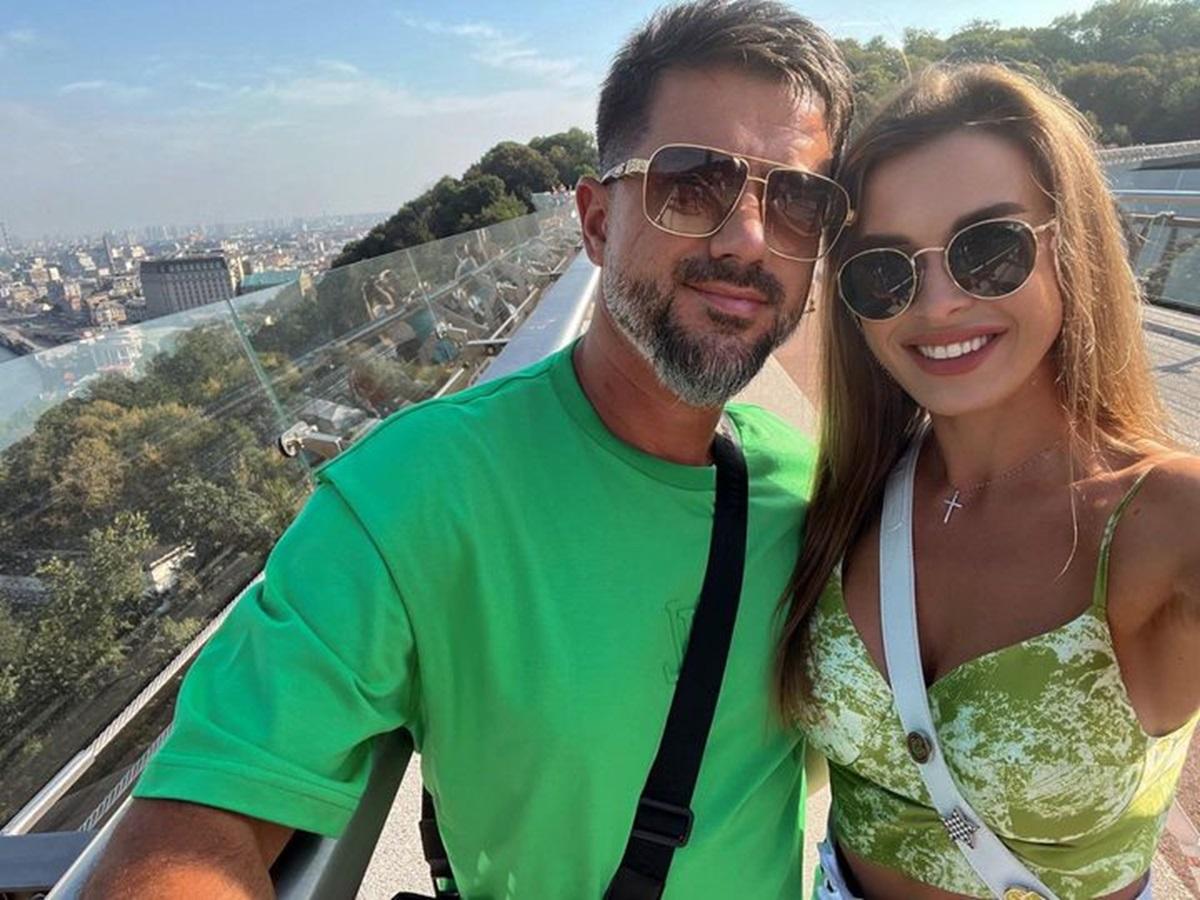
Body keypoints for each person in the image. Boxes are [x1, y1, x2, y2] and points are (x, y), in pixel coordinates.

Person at [84, 2, 854, 897]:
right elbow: (194, 828)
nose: (748, 239)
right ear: (596, 222)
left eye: (797, 202)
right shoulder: (414, 493)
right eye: (691, 184)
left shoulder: (815, 489)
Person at [776, 63, 1200, 900]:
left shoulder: (1164, 518)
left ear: (1072, 245)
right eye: (884, 270)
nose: (936, 304)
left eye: (990, 249)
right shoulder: (849, 498)